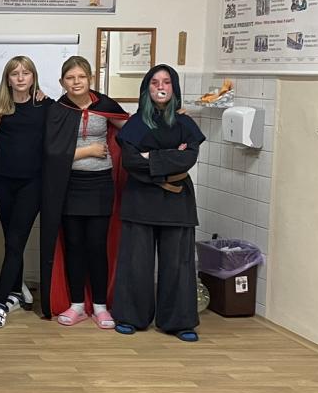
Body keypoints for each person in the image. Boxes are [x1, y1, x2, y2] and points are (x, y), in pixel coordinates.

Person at [112, 65, 204, 341]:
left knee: (178, 265)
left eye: (166, 82)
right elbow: (131, 162)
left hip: (177, 202)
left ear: (174, 87)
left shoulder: (185, 123)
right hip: (140, 200)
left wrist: (150, 157)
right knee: (135, 263)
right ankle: (130, 317)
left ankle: (180, 322)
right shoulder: (135, 124)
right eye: (154, 82)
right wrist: (168, 159)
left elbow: (188, 159)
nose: (160, 87)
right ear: (146, 88)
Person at [39, 57, 129, 327]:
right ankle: (77, 304)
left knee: (97, 246)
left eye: (81, 77)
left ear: (90, 78)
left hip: (100, 185)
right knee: (75, 245)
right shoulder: (58, 110)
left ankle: (100, 306)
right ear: (62, 82)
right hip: (69, 186)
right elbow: (52, 154)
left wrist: (171, 118)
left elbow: (133, 130)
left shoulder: (106, 105)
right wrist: (88, 151)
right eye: (70, 78)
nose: (76, 82)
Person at [0, 56, 48, 328]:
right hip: (3, 182)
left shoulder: (45, 105)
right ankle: (14, 292)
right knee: (12, 241)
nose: (21, 78)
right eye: (15, 74)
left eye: (26, 73)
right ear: (8, 79)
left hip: (32, 184)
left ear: (33, 77)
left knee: (15, 241)